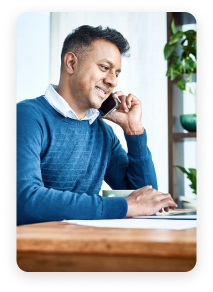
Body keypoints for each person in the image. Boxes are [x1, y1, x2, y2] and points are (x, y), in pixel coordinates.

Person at [16, 25, 177, 225]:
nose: (113, 81)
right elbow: (24, 201)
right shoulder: (26, 117)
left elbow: (145, 200)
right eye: (104, 68)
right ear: (71, 63)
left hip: (88, 246)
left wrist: (133, 131)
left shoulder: (103, 133)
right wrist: (126, 206)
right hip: (36, 251)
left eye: (116, 73)